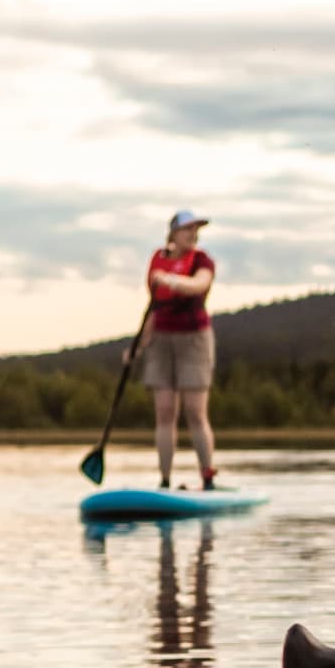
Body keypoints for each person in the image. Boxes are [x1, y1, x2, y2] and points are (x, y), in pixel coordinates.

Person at [145, 209, 222, 490]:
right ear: (173, 234)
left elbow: (199, 284)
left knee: (194, 410)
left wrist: (171, 280)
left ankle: (207, 476)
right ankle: (164, 481)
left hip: (194, 338)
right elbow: (153, 311)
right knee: (165, 411)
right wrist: (138, 348)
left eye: (196, 229)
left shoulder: (202, 261)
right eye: (187, 229)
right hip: (162, 340)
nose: (193, 234)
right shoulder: (158, 260)